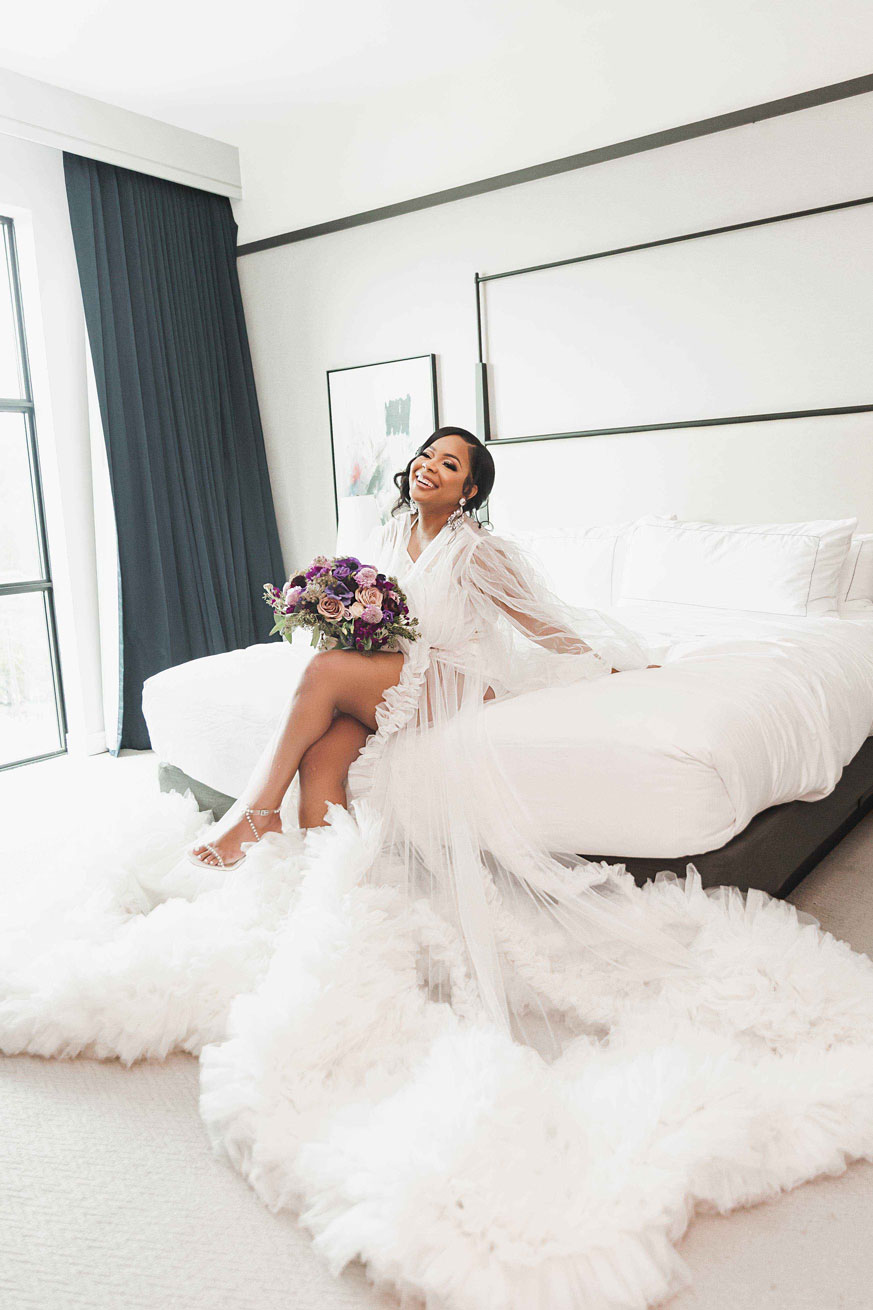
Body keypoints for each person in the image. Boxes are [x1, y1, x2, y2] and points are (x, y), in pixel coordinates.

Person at [3, 426, 873, 1310]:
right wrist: (335, 614)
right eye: (428, 454)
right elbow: (374, 622)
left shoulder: (476, 548)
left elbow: (537, 622)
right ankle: (318, 881)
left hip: (454, 680)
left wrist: (611, 658)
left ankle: (253, 819)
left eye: (451, 465)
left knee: (318, 686)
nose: (431, 466)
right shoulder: (384, 535)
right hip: (393, 670)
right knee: (328, 750)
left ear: (468, 492)